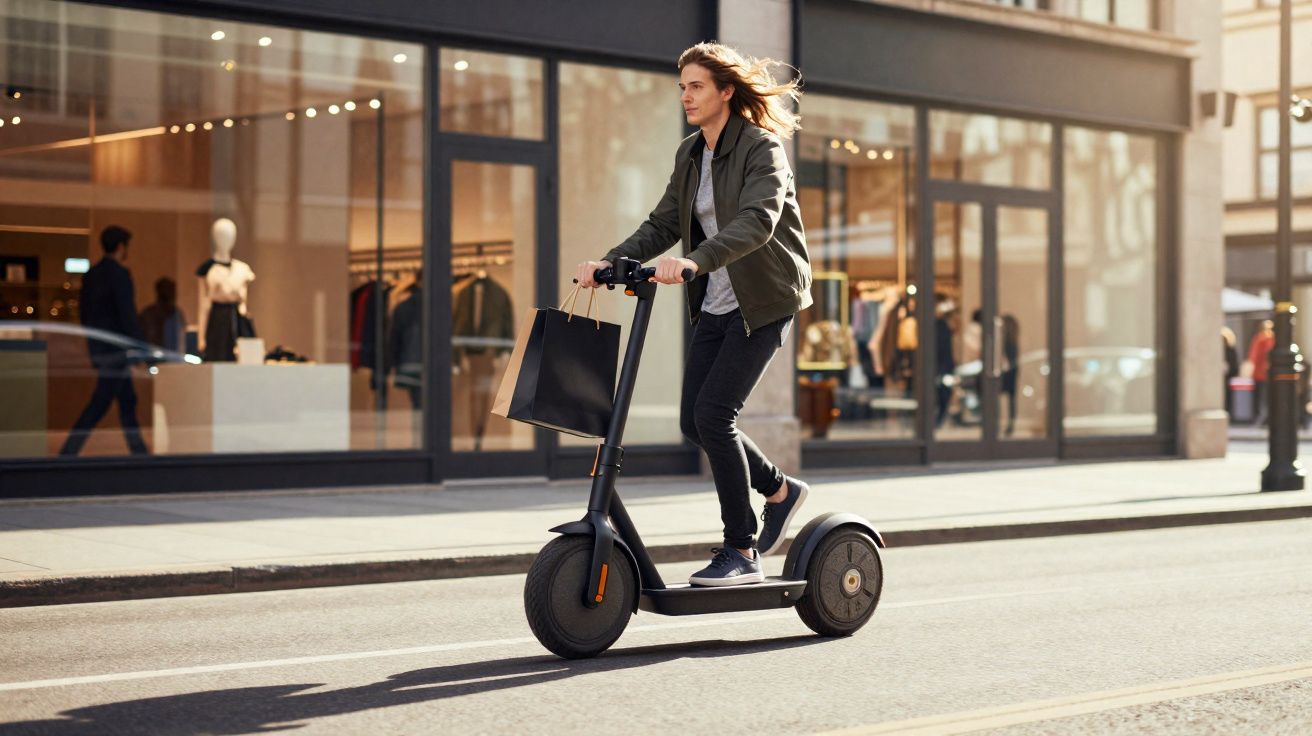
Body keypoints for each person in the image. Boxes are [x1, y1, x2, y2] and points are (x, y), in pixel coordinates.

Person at [575, 42, 812, 587]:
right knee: (694, 421)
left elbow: (758, 220)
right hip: (715, 302)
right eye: (682, 87)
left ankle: (741, 549)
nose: (685, 96)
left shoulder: (762, 148)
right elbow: (663, 222)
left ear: (726, 91)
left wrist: (695, 261)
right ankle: (780, 490)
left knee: (714, 415)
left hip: (764, 300)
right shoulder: (690, 153)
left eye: (697, 86)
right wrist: (610, 262)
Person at [60, 226, 149, 456]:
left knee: (126, 399)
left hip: (100, 348)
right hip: (116, 351)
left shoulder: (92, 275)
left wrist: (93, 343)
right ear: (121, 247)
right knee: (102, 401)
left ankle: (138, 450)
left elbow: (85, 314)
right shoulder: (119, 275)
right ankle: (69, 450)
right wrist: (141, 348)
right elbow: (127, 315)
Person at [139, 277, 186, 354]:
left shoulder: (177, 315)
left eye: (171, 290)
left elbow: (181, 341)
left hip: (173, 357)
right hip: (152, 356)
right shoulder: (148, 314)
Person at [1248, 319, 1276, 426]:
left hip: (1263, 374)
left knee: (1261, 398)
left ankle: (1261, 417)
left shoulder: (1262, 339)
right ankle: (1263, 417)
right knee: (1263, 397)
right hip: (1263, 374)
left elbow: (1253, 356)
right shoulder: (1263, 339)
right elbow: (1254, 356)